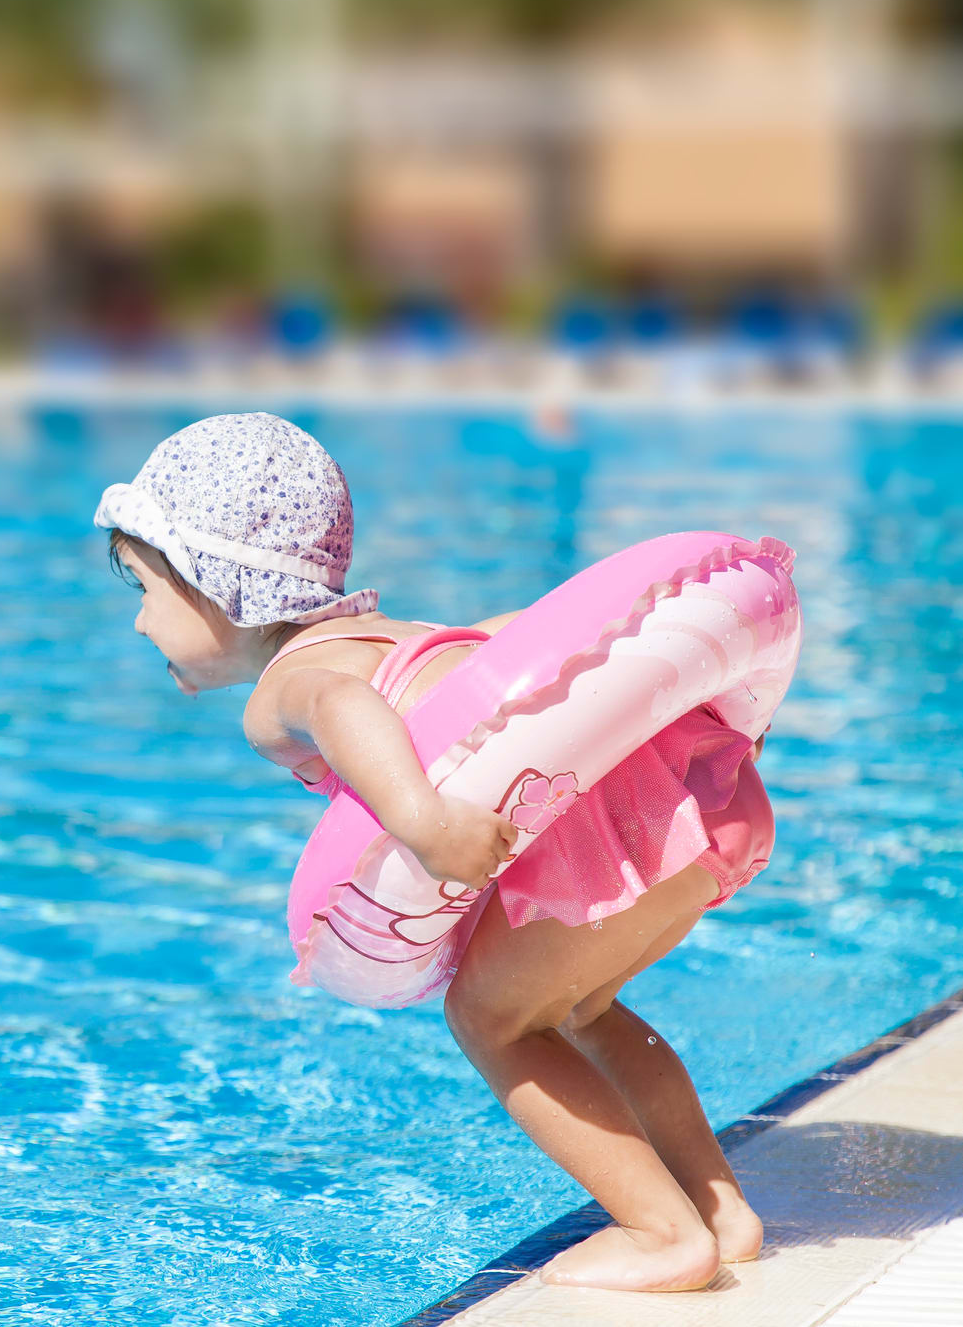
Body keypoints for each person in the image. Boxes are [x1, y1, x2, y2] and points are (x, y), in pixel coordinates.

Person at [96, 413, 772, 1293]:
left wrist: (421, 821)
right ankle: (719, 1208)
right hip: (685, 817)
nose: (141, 624)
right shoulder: (411, 633)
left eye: (147, 590)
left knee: (490, 1019)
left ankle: (660, 1235)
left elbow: (343, 707)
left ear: (219, 588)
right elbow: (543, 647)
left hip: (594, 849)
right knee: (583, 1008)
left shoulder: (281, 693)